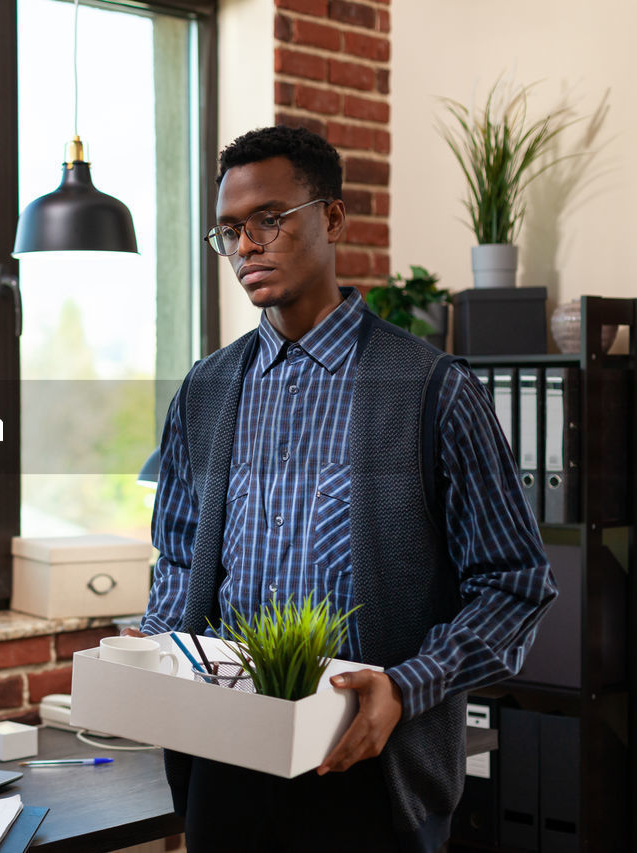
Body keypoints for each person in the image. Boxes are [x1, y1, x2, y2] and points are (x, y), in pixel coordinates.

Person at [127, 126, 557, 852]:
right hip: (226, 757)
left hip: (370, 765)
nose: (246, 246)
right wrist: (157, 653)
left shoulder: (430, 389)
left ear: (331, 217)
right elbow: (175, 555)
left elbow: (515, 584)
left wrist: (408, 685)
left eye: (269, 219)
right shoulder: (203, 392)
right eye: (230, 230)